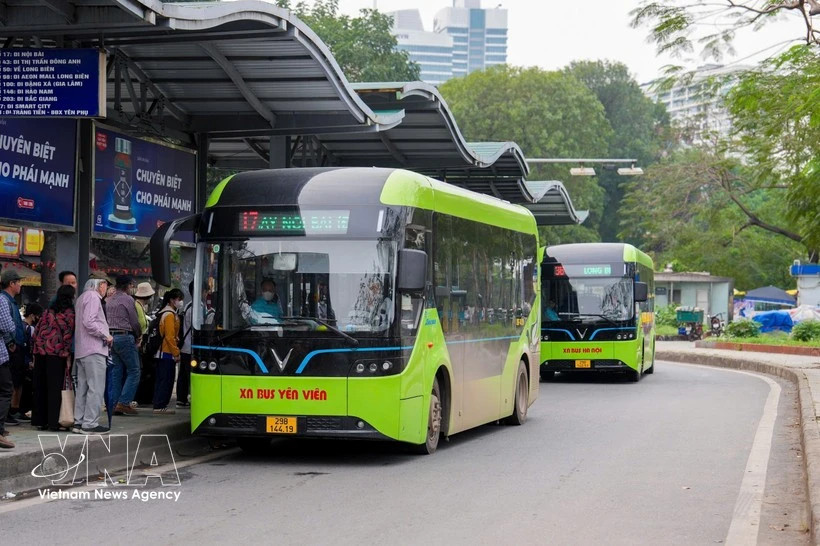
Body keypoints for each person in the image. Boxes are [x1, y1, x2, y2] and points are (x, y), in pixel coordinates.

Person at [31, 285, 76, 432]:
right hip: (56, 354)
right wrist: (67, 355)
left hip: (40, 353)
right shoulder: (69, 314)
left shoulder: (47, 311)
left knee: (40, 386)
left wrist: (35, 350)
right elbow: (67, 336)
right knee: (55, 388)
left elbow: (36, 333)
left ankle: (40, 421)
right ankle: (53, 422)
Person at [72, 275, 113, 434]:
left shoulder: (82, 298)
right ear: (100, 284)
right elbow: (89, 322)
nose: (106, 289)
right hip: (94, 349)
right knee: (96, 387)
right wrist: (105, 335)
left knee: (83, 387)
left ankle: (79, 421)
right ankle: (90, 423)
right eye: (105, 285)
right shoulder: (94, 297)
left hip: (82, 349)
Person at [106, 274, 142, 416]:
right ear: (127, 285)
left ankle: (114, 403)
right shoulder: (127, 299)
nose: (132, 287)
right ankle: (124, 402)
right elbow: (134, 321)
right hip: (124, 336)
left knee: (116, 372)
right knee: (134, 370)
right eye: (131, 285)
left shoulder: (109, 300)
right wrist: (138, 335)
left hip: (111, 338)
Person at [0, 269, 24, 448]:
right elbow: (8, 325)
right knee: (6, 389)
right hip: (2, 352)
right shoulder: (3, 300)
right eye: (18, 282)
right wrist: (11, 341)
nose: (20, 285)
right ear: (11, 283)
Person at [9, 302, 42, 422]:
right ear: (33, 315)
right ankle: (16, 410)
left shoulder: (21, 326)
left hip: (19, 359)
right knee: (19, 386)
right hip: (24, 360)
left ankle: (14, 410)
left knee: (17, 385)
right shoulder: (30, 328)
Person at [154, 288, 183, 414]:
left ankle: (159, 404)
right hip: (166, 351)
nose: (180, 302)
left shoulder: (166, 312)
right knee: (166, 379)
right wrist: (176, 353)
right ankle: (160, 405)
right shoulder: (170, 315)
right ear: (172, 300)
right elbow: (169, 337)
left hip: (164, 351)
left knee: (163, 379)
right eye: (179, 299)